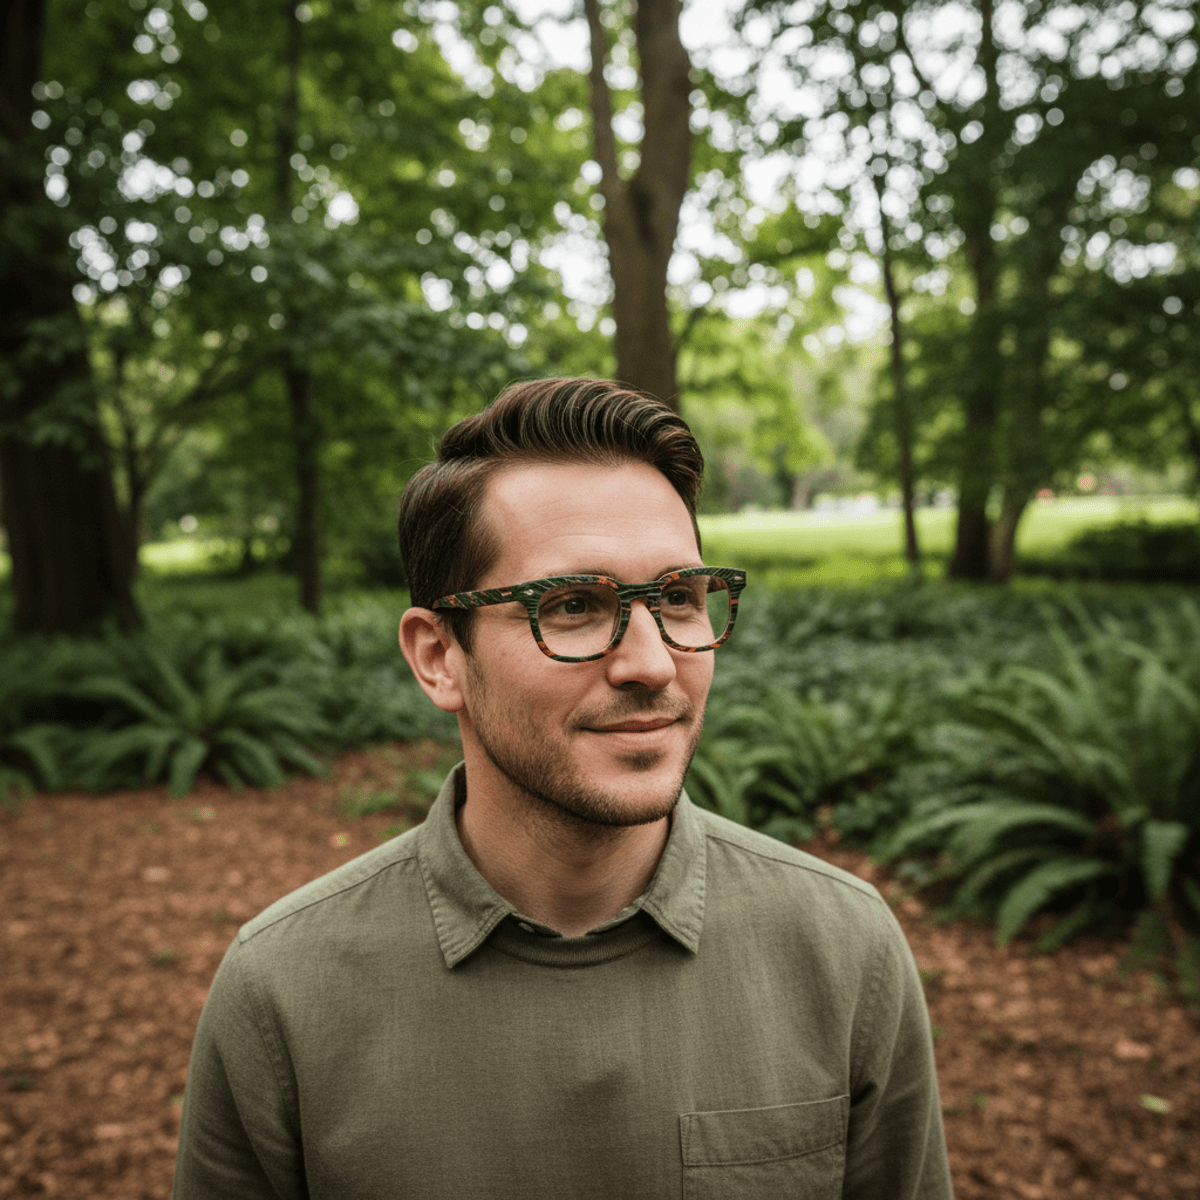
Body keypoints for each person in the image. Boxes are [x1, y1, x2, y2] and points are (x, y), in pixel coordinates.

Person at [172, 378, 953, 1199]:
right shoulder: (285, 993)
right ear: (440, 657)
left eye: (680, 598)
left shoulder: (842, 951)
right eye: (575, 605)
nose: (653, 664)